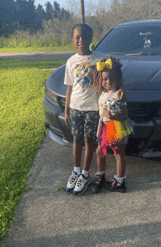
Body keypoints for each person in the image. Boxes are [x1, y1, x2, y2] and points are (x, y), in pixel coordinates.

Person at [64, 23, 100, 195]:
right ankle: (76, 171)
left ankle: (85, 174)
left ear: (91, 37)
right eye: (77, 37)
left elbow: (108, 83)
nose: (81, 40)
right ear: (72, 40)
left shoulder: (100, 60)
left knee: (89, 141)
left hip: (93, 108)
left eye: (84, 36)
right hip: (75, 107)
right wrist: (66, 110)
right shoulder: (71, 62)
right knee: (76, 139)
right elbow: (70, 88)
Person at [92, 57, 133, 193]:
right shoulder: (104, 92)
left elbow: (125, 115)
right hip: (105, 128)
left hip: (116, 127)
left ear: (118, 78)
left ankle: (120, 181)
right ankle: (101, 175)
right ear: (100, 79)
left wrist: (111, 116)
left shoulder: (119, 94)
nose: (108, 82)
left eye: (111, 78)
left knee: (118, 154)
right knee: (99, 151)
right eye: (104, 79)